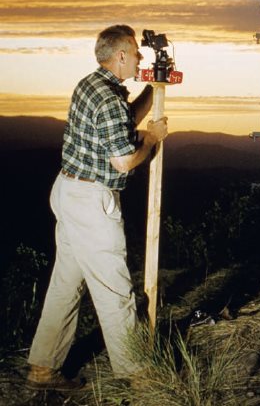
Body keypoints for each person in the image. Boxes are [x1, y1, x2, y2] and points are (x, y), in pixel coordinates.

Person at [27, 24, 169, 392]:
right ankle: (138, 373)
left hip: (69, 192)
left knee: (65, 284)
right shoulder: (108, 98)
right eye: (136, 53)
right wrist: (152, 139)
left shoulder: (93, 85)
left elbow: (121, 124)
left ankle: (43, 368)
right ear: (120, 55)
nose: (139, 58)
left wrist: (153, 91)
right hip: (92, 202)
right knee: (115, 290)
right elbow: (124, 161)